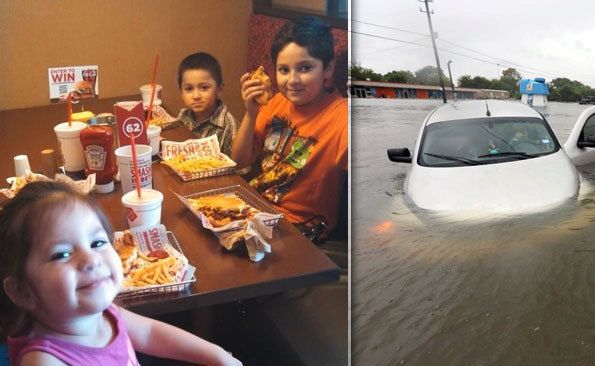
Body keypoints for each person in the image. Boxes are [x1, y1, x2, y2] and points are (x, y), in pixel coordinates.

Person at [0, 181, 242, 366]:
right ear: (21, 291)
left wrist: (218, 356)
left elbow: (149, 334)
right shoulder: (45, 361)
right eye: (61, 254)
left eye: (97, 243)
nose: (91, 260)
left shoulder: (104, 313)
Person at [232, 17, 347, 241]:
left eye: (305, 68)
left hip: (299, 227)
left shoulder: (341, 115)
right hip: (255, 208)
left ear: (328, 68)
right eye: (284, 70)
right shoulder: (275, 103)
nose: (292, 80)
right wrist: (251, 112)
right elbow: (240, 161)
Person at [177, 52, 250, 175]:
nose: (196, 96)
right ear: (182, 94)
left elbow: (242, 171)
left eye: (204, 88)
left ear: (219, 90)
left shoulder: (229, 125)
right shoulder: (183, 116)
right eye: (189, 89)